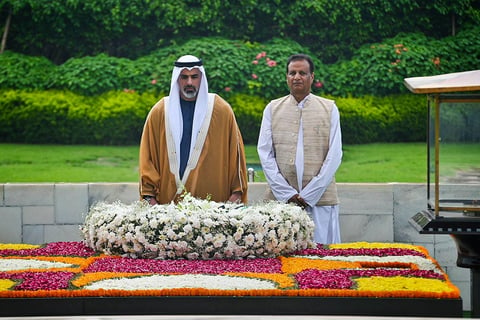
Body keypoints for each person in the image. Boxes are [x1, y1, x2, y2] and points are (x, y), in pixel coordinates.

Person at [139, 55, 248, 205]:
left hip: (213, 208)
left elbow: (236, 156)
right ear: (177, 78)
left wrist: (236, 192)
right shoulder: (160, 111)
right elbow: (147, 156)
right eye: (184, 77)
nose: (189, 82)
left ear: (201, 78)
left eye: (194, 77)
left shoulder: (221, 110)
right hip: (166, 207)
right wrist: (148, 196)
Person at [257, 53, 343, 244]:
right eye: (292, 73)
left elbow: (335, 154)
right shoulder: (272, 108)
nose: (297, 77)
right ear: (286, 77)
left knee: (322, 258)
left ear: (312, 77)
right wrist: (287, 193)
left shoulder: (329, 108)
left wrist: (310, 193)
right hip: (280, 201)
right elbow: (265, 153)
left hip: (320, 200)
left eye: (302, 73)